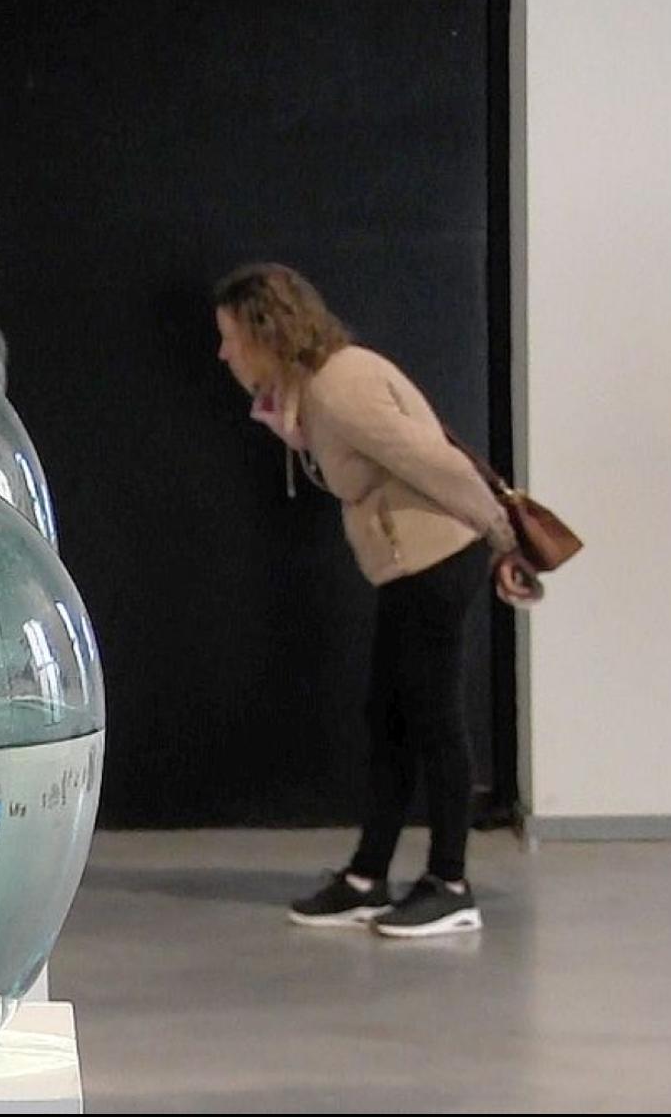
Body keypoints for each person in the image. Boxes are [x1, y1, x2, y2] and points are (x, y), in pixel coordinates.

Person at [212, 263, 539, 938]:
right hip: (407, 564)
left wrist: (505, 540)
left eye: (231, 336)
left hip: (435, 560)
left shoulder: (342, 385)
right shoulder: (318, 387)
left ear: (266, 330)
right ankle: (368, 877)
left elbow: (440, 463)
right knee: (390, 719)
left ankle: (450, 884)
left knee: (433, 719)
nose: (224, 353)